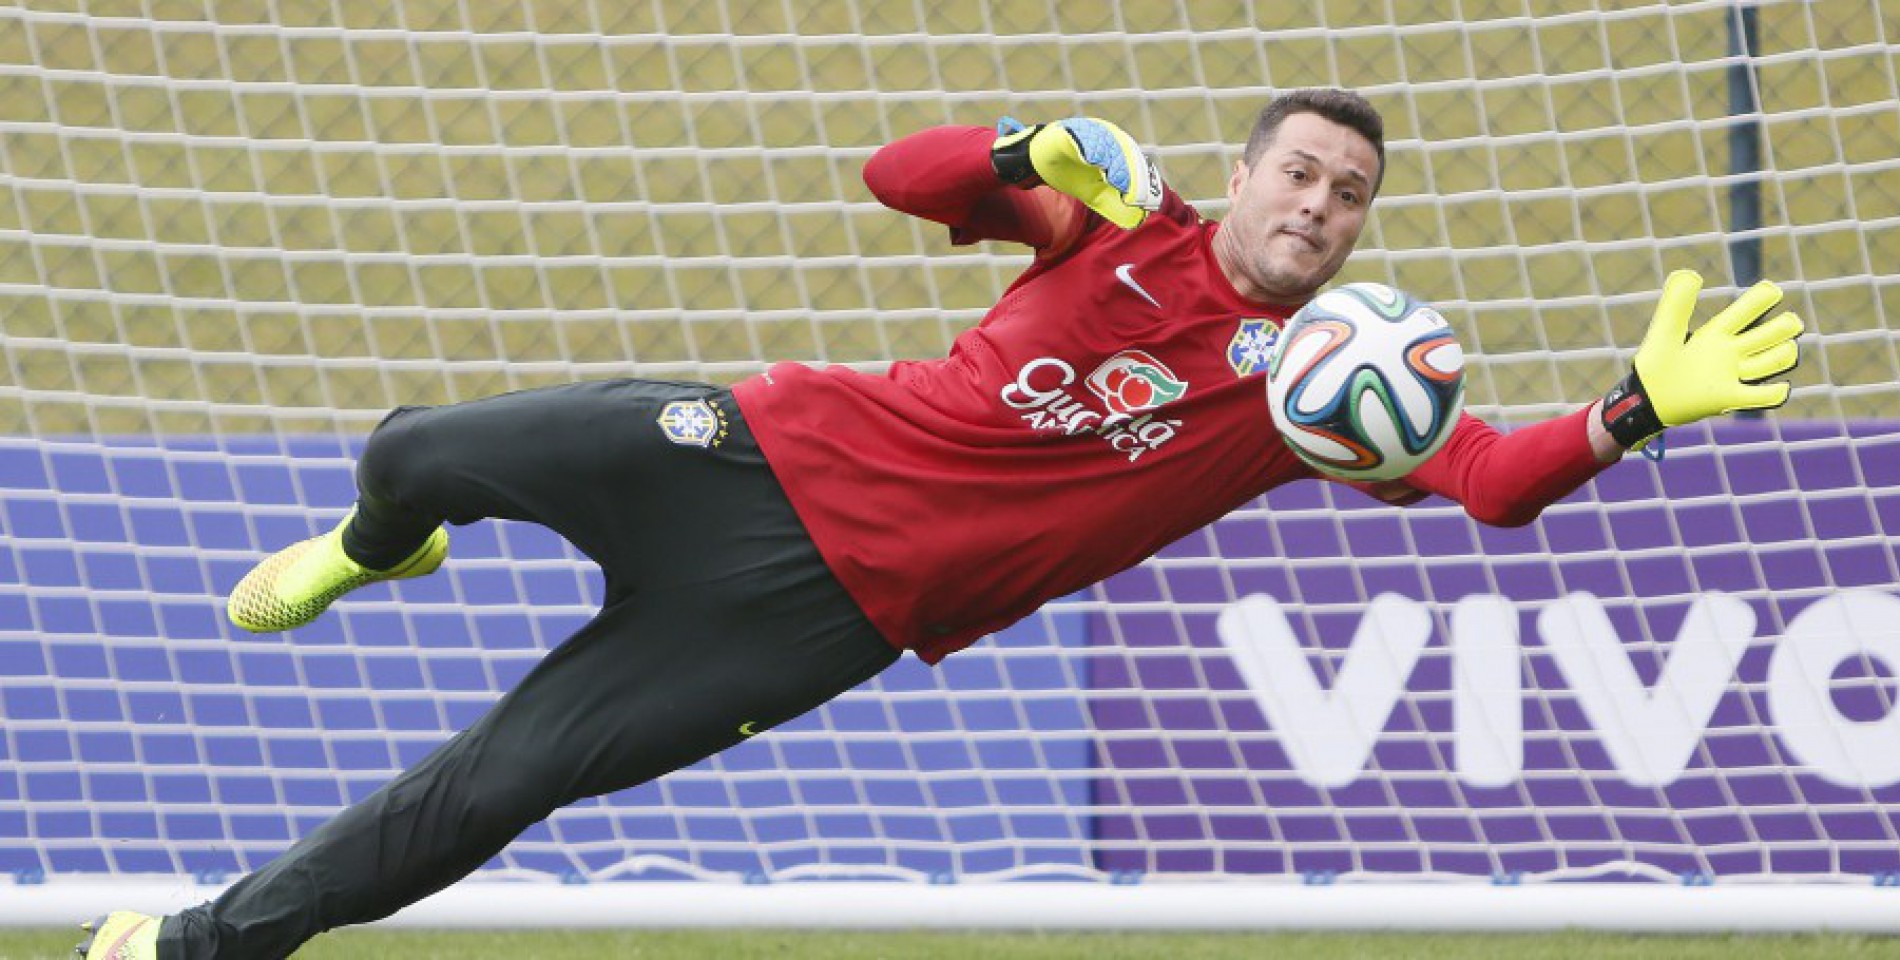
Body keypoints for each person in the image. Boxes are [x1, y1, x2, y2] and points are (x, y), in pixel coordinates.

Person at [79, 87, 1804, 959]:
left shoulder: (1323, 400)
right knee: (429, 448)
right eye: (1301, 175)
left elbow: (1493, 482)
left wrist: (1633, 409)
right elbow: (896, 183)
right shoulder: (1122, 226)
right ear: (1253, 170)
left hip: (813, 621)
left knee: (496, 785)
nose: (1322, 210)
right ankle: (382, 546)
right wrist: (1020, 139)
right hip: (753, 449)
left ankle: (192, 946)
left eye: (1351, 197)